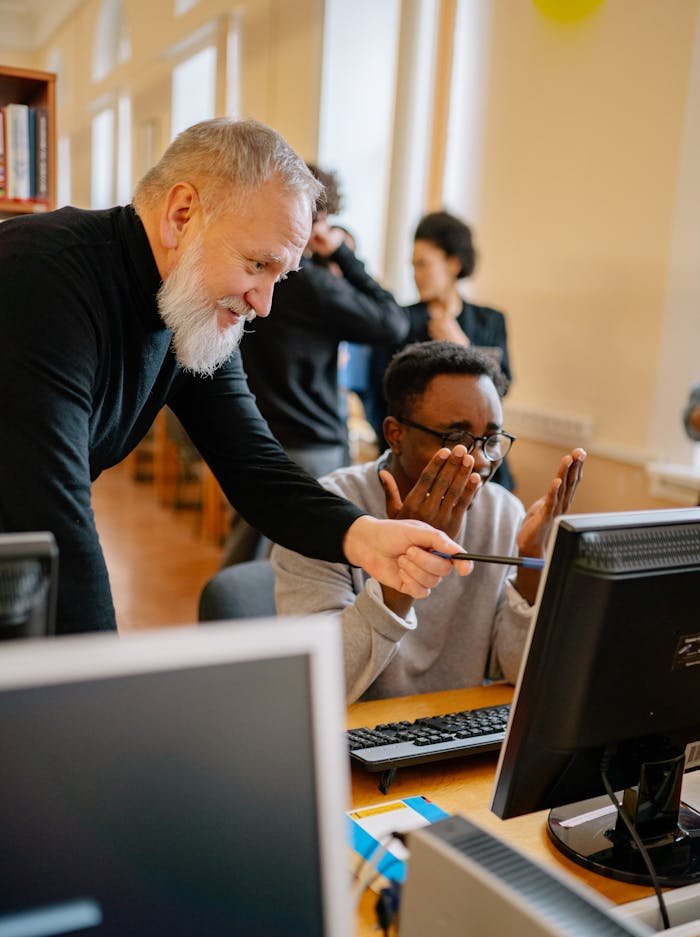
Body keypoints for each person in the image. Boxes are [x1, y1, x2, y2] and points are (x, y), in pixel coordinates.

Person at [0, 119, 470, 635]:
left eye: (279, 276)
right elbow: (54, 510)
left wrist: (364, 536)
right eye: (255, 265)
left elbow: (255, 466)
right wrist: (110, 687)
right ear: (182, 216)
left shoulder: (190, 305)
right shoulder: (42, 276)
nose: (263, 305)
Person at [272, 342, 586, 702]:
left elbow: (515, 671)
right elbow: (318, 686)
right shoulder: (322, 516)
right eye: (456, 438)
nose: (480, 462)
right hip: (356, 741)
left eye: (492, 439)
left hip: (454, 735)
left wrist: (532, 557)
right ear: (395, 434)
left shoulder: (503, 513)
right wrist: (406, 568)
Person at [220, 165, 409, 565]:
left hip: (255, 433)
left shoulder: (253, 271)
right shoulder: (312, 285)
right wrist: (341, 253)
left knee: (247, 559)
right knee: (298, 570)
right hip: (309, 444)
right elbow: (392, 321)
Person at [369, 210, 514, 491]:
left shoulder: (491, 321)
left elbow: (503, 387)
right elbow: (380, 394)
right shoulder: (399, 320)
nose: (415, 274)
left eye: (423, 264)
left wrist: (463, 346)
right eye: (412, 265)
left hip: (485, 465)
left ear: (453, 264)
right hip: (415, 466)